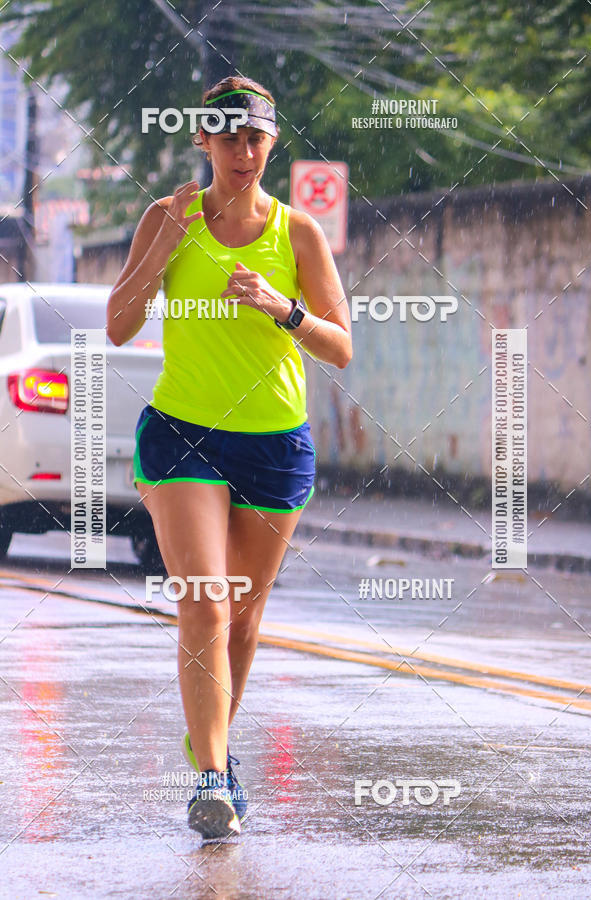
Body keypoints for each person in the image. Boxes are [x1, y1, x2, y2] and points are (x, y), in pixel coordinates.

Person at [107, 75, 352, 841]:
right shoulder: (166, 217)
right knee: (207, 601)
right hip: (181, 433)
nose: (243, 152)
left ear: (272, 144)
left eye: (256, 139)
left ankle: (210, 744)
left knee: (243, 619)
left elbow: (341, 346)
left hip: (275, 442)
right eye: (229, 138)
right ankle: (212, 778)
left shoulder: (298, 233)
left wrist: (283, 309)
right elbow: (118, 324)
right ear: (203, 141)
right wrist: (164, 251)